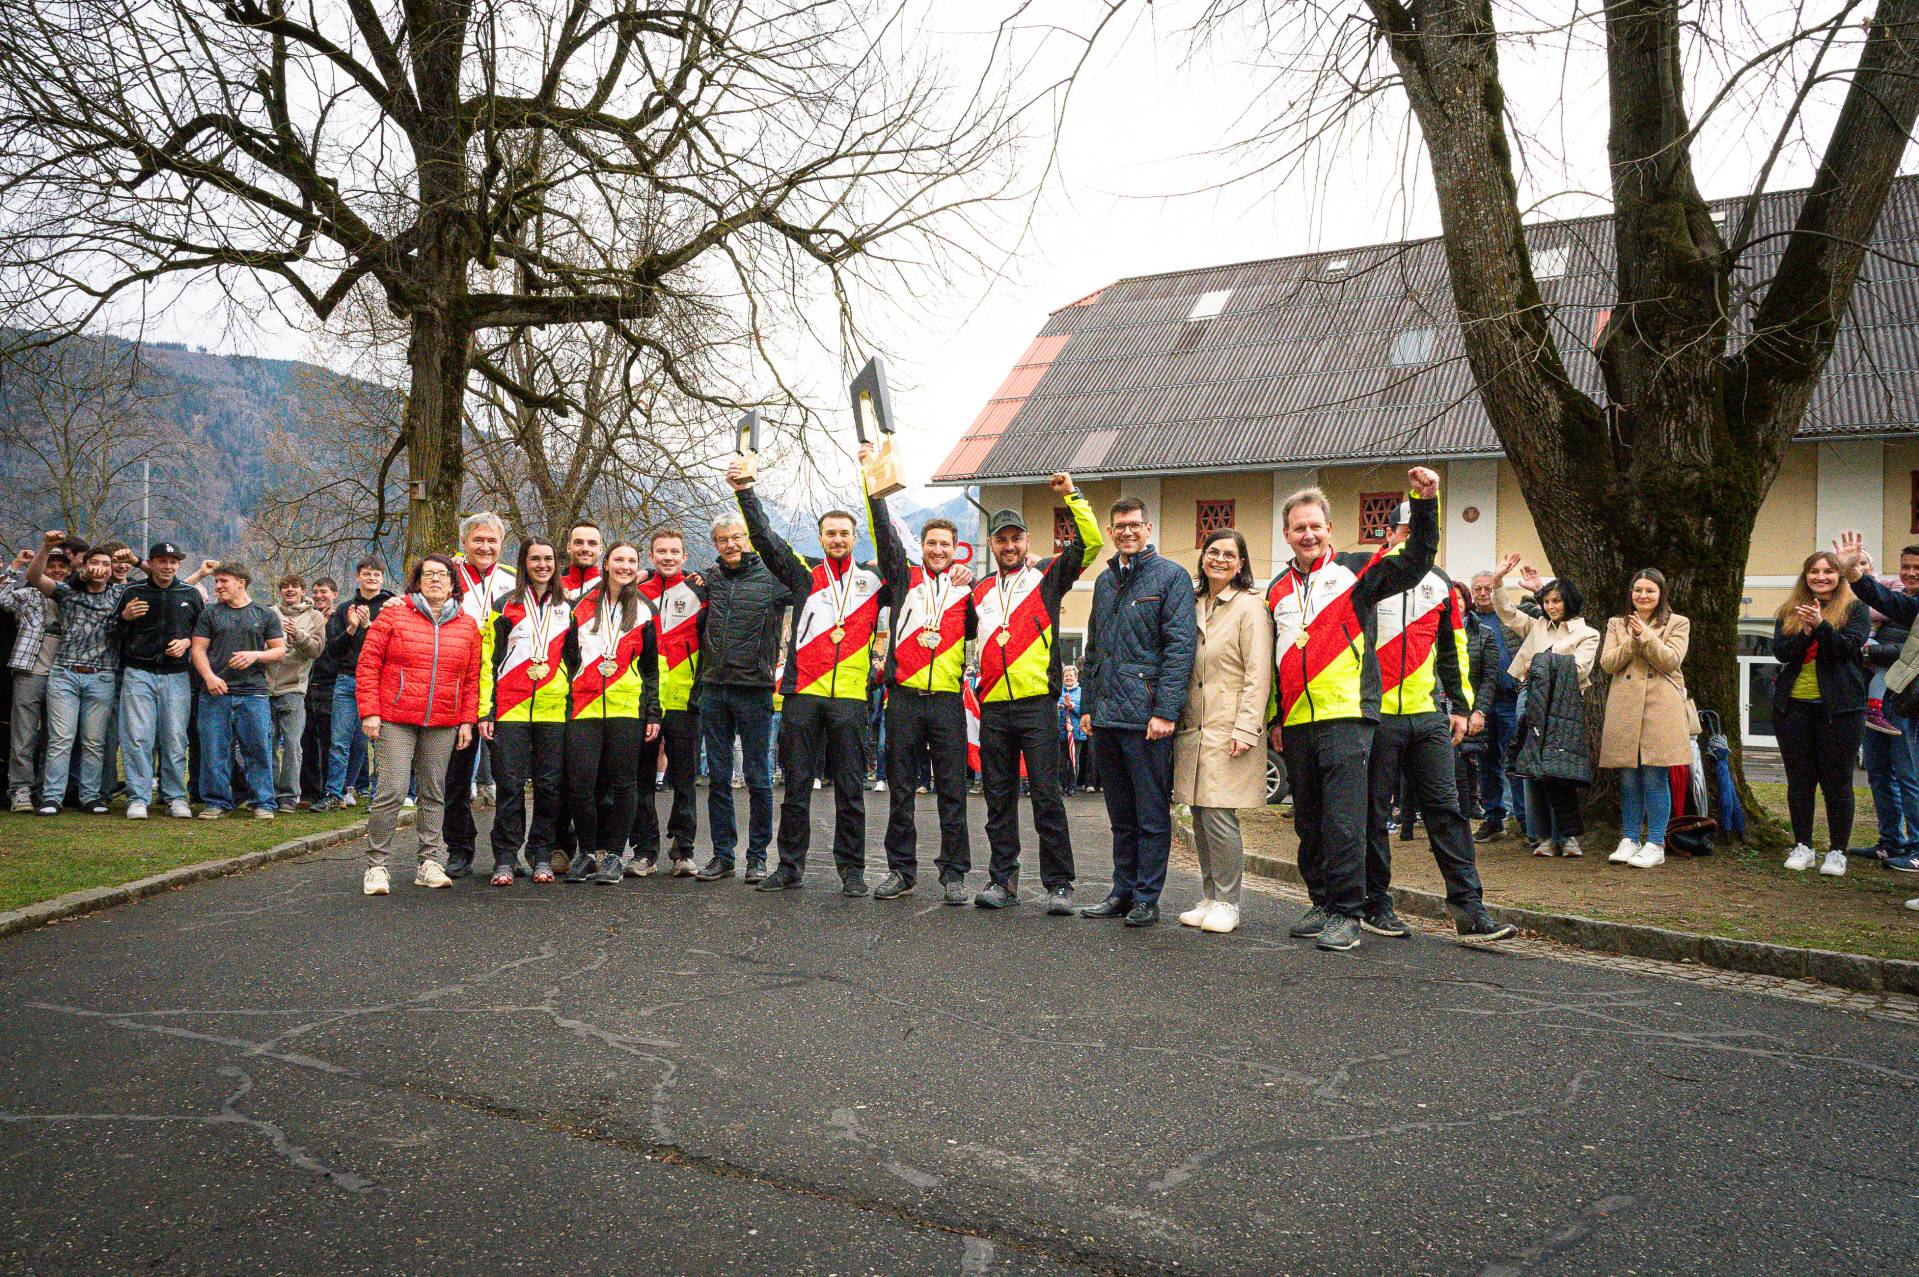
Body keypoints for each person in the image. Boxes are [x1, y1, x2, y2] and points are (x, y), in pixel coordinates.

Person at [1263, 468, 1440, 952]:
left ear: (1329, 529)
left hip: (1347, 717)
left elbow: (1415, 561)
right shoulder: (1276, 590)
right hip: (1297, 720)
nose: (1308, 534)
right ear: (1286, 534)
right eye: (1299, 527)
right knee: (1309, 821)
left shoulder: (1355, 573)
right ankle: (1320, 900)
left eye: (1316, 526)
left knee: (1344, 820)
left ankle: (1347, 912)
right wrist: (1275, 718)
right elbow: (1275, 658)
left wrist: (1424, 503)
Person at [727, 456, 893, 895]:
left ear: (855, 538)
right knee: (796, 786)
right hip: (802, 694)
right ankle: (789, 867)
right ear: (820, 538)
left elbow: (893, 548)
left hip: (851, 699)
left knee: (850, 791)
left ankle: (852, 870)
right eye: (830, 533)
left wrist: (874, 487)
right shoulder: (803, 575)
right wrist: (746, 491)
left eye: (845, 533)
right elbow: (764, 540)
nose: (837, 539)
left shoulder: (875, 580)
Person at [1362, 505, 1516, 941]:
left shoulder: (1443, 584)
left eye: (1425, 530)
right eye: (1408, 530)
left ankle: (1470, 910)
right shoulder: (1373, 574)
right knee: (1374, 814)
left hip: (1427, 716)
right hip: (1377, 717)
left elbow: (1454, 652)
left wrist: (1463, 709)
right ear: (1390, 533)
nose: (1416, 537)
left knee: (1447, 812)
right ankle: (1376, 904)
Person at [971, 473, 1102, 913]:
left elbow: (1092, 545)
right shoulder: (979, 591)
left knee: (1046, 795)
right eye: (1001, 539)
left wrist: (1072, 496)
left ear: (1027, 540)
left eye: (1016, 538)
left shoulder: (1048, 575)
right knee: (998, 798)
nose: (1009, 545)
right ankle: (1001, 881)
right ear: (991, 544)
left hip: (1036, 705)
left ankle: (1059, 884)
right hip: (994, 707)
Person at [1078, 496, 1197, 928]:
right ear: (1111, 532)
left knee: (1149, 814)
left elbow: (1180, 649)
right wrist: (1088, 706)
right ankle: (1121, 891)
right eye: (1119, 526)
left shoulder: (1171, 577)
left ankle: (1147, 897)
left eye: (1134, 525)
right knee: (1120, 816)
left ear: (1148, 529)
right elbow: (1094, 649)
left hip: (1147, 719)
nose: (1127, 532)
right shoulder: (1106, 582)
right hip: (1107, 717)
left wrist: (1165, 711)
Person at [863, 456, 975, 904]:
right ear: (923, 546)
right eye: (932, 543)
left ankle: (953, 873)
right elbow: (885, 536)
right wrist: (874, 480)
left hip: (947, 699)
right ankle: (900, 870)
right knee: (902, 790)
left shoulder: (969, 589)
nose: (938, 550)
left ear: (956, 547)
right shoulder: (902, 579)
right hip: (905, 696)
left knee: (952, 790)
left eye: (945, 544)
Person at [1166, 529, 1272, 935]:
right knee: (1199, 813)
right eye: (1213, 552)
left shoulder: (1249, 608)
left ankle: (1229, 901)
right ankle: (1209, 895)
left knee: (1220, 815)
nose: (1220, 559)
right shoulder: (1192, 604)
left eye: (1230, 554)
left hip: (1229, 727)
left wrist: (1247, 726)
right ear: (1203, 557)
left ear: (1242, 563)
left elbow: (1257, 674)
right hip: (1194, 727)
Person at [356, 554, 483, 895]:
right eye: (429, 575)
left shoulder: (468, 625)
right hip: (395, 718)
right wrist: (370, 711)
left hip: (443, 720)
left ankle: (429, 862)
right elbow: (368, 664)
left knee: (433, 793)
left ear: (454, 582)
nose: (436, 580)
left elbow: (471, 679)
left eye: (443, 575)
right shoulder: (394, 614)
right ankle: (377, 866)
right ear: (417, 581)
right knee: (392, 790)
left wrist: (467, 721)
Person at [692, 511, 790, 884]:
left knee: (758, 776)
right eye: (723, 540)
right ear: (715, 544)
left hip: (754, 690)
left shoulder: (774, 579)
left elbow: (810, 580)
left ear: (747, 538)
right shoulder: (709, 579)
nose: (730, 545)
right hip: (714, 689)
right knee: (717, 777)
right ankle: (722, 855)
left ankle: (758, 856)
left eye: (736, 537)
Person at [562, 543, 662, 884]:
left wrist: (653, 712)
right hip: (583, 707)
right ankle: (588, 852)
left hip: (626, 709)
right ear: (606, 564)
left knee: (624, 784)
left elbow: (651, 668)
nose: (625, 566)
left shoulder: (646, 609)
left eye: (632, 561)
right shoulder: (582, 605)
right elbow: (568, 657)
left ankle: (615, 855)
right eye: (619, 559)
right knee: (581, 783)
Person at [1488, 554, 1600, 857]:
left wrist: (1536, 664)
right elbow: (1507, 613)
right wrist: (1498, 581)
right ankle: (1543, 836)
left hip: (1564, 704)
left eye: (1557, 601)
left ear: (1570, 603)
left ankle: (1567, 836)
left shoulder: (1587, 633)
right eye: (1547, 601)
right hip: (1529, 698)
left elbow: (1580, 669)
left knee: (1560, 768)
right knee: (1531, 767)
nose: (1551, 607)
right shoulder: (1538, 626)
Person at [1769, 545, 1870, 875]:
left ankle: (1837, 851)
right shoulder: (1789, 611)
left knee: (1837, 782)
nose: (1821, 577)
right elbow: (1782, 653)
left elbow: (1848, 648)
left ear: (1839, 577)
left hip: (1840, 709)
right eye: (1814, 571)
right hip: (1793, 707)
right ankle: (1803, 846)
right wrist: (1806, 631)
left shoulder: (1855, 609)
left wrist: (1822, 627)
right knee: (1799, 780)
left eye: (1828, 571)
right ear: (1806, 577)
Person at [479, 539, 572, 884]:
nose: (543, 565)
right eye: (535, 559)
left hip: (553, 709)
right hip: (510, 709)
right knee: (510, 786)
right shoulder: (504, 606)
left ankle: (542, 854)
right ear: (523, 563)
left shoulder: (569, 606)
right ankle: (505, 857)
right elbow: (488, 662)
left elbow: (574, 660)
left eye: (548, 559)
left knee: (549, 787)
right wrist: (486, 711)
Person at [26, 532, 129, 815]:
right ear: (83, 567)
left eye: (106, 564)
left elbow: (161, 585)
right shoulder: (68, 592)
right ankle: (52, 797)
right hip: (65, 673)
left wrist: (134, 561)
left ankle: (90, 797)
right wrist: (46, 547)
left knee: (94, 741)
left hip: (103, 675)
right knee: (60, 739)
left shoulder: (121, 595)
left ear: (111, 570)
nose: (101, 568)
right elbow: (35, 577)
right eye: (95, 563)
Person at [437, 512, 516, 878]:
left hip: (502, 685)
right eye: (477, 540)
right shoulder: (445, 575)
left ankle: (506, 852)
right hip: (458, 685)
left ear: (502, 544)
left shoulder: (514, 580)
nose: (485, 547)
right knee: (455, 776)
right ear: (464, 542)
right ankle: (459, 848)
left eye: (492, 541)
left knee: (507, 776)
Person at [1598, 569, 1693, 870]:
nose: (1642, 596)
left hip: (1660, 706)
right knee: (1628, 776)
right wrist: (1633, 641)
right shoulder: (1616, 623)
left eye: (1649, 591)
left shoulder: (1678, 623)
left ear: (1661, 594)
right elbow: (1608, 663)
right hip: (1625, 707)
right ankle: (1629, 838)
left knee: (1654, 775)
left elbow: (1671, 660)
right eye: (1637, 590)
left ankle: (1655, 842)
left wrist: (1646, 636)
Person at [630, 528, 705, 877]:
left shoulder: (699, 591)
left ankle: (683, 850)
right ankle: (644, 851)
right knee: (641, 778)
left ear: (685, 556)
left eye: (675, 551)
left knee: (684, 779)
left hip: (685, 699)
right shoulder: (636, 592)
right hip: (644, 701)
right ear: (651, 554)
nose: (669, 557)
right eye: (662, 551)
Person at [113, 542, 204, 819]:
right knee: (137, 738)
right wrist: (124, 617)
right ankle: (138, 797)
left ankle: (175, 796)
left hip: (176, 675)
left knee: (175, 738)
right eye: (162, 561)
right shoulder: (132, 591)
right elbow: (110, 630)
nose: (168, 566)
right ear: (150, 563)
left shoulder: (190, 594)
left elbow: (204, 636)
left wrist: (187, 642)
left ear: (179, 564)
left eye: (173, 561)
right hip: (138, 672)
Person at [190, 562, 286, 819]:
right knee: (214, 749)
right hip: (215, 693)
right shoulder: (210, 614)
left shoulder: (264, 614)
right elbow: (197, 649)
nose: (218, 586)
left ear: (241, 582)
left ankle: (263, 802)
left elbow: (279, 651)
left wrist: (256, 655)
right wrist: (209, 677)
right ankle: (216, 802)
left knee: (258, 749)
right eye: (216, 582)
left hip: (253, 693)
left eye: (223, 581)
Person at [1857, 547, 1919, 863]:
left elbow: (1907, 650)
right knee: (1879, 773)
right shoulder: (1898, 603)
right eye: (1905, 566)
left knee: (1909, 776)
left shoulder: (1909, 607)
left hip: (1908, 705)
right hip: (1880, 700)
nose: (1910, 573)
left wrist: (1871, 653)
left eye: (1916, 567)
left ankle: (1916, 847)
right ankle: (1890, 842)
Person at [316, 559, 391, 811]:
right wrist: (351, 628)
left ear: (382, 579)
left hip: (381, 681)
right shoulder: (345, 608)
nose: (371, 578)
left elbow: (391, 648)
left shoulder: (391, 608)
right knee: (340, 740)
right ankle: (333, 793)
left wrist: (369, 627)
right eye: (366, 574)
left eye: (376, 574)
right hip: (347, 679)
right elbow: (332, 650)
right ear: (358, 577)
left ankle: (379, 796)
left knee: (380, 741)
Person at [1, 546, 67, 812]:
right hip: (29, 672)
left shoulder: (72, 596)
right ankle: (20, 790)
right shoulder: (27, 594)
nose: (57, 570)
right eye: (51, 566)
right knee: (23, 736)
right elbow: (2, 598)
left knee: (56, 739)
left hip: (63, 675)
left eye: (62, 566)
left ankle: (46, 790)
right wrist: (15, 566)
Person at [1468, 570, 1522, 842]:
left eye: (1487, 588)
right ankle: (1493, 817)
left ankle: (1521, 819)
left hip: (1511, 698)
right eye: (1477, 588)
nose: (1482, 593)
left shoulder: (1509, 618)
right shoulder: (1469, 623)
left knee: (1514, 758)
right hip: (1482, 702)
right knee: (1486, 761)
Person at [266, 574, 326, 813]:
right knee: (266, 743)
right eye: (285, 586)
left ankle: (289, 795)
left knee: (292, 744)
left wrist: (299, 636)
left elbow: (317, 650)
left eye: (295, 586)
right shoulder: (269, 613)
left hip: (294, 688)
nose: (289, 590)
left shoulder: (315, 617)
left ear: (303, 591)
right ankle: (267, 793)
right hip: (266, 686)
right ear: (279, 591)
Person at [300, 577, 339, 807]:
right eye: (315, 592)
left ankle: (329, 789)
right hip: (306, 684)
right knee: (306, 740)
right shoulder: (307, 617)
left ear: (334, 594)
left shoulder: (339, 617)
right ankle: (309, 791)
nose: (318, 596)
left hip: (329, 684)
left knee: (328, 740)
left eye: (323, 591)